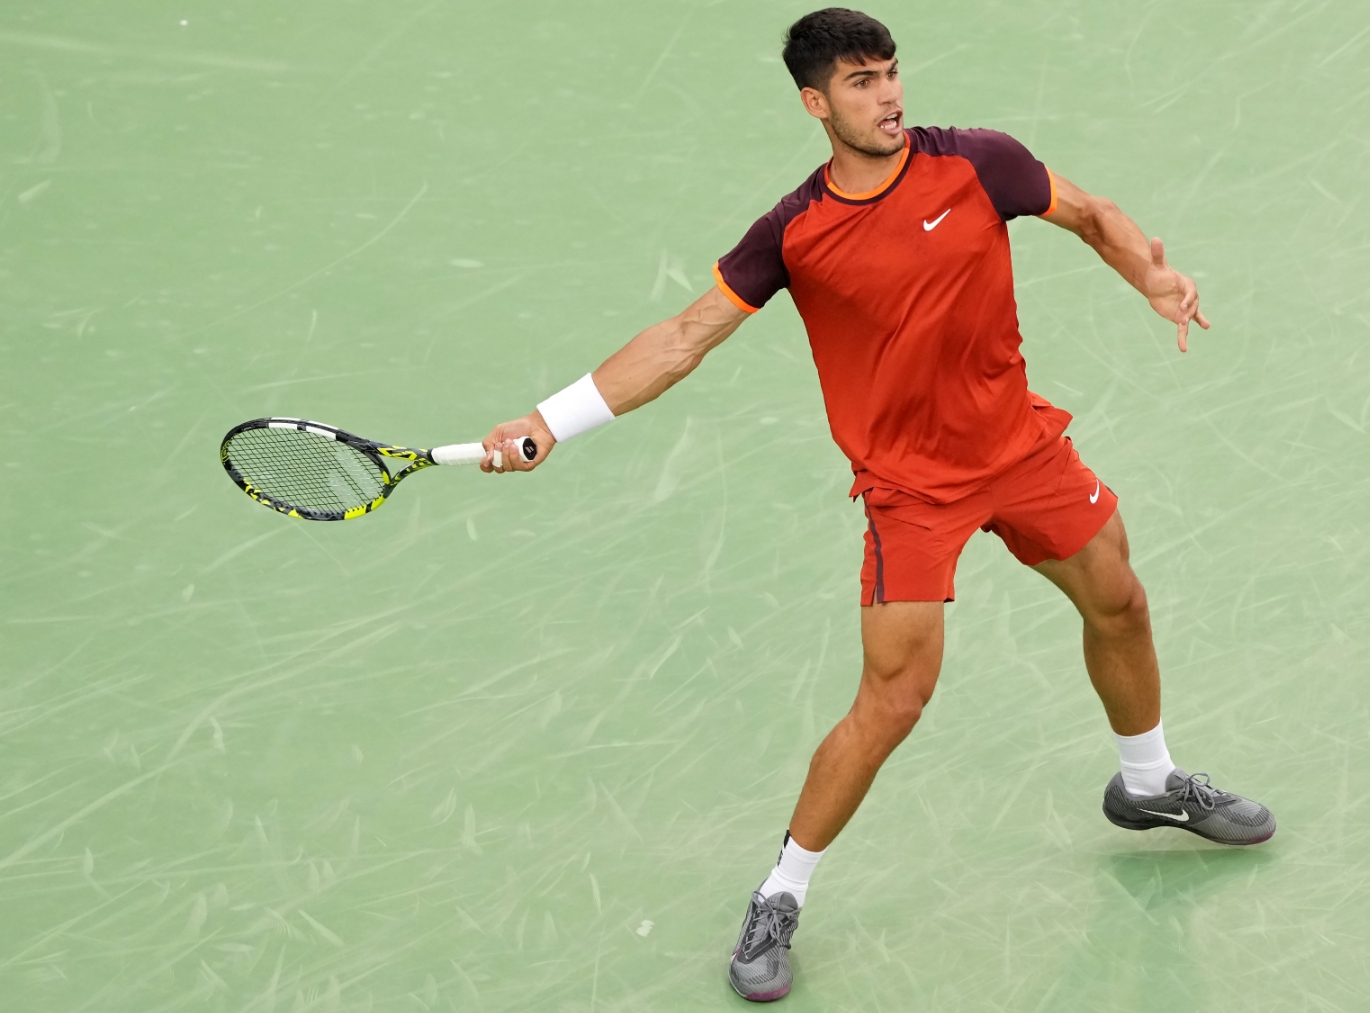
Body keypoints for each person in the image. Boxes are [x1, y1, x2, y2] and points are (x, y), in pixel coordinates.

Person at [479, 8, 1275, 1002]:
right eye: (861, 81)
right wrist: (551, 421)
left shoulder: (982, 163)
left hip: (1020, 445)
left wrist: (1150, 274)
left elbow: (1090, 212)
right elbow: (684, 336)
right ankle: (780, 891)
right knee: (894, 696)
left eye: (891, 73)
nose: (889, 94)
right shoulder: (796, 233)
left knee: (1118, 596)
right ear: (817, 104)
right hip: (911, 488)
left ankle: (1148, 783)